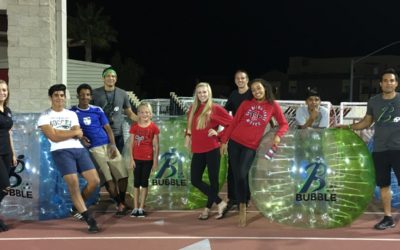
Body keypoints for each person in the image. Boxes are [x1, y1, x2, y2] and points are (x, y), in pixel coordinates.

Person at [220, 78, 288, 227]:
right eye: (254, 90)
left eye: (259, 88)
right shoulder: (246, 104)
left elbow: (284, 124)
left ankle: (243, 203)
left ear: (265, 88)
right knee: (237, 175)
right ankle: (242, 204)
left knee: (242, 174)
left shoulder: (272, 105)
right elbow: (234, 123)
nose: (256, 91)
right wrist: (224, 141)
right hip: (234, 142)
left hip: (250, 146)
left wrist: (278, 135)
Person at [339, 68, 400, 230]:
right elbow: (366, 122)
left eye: (392, 80)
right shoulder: (374, 101)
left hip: (398, 149)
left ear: (396, 83)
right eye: (385, 81)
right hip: (380, 150)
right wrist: (348, 127)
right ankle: (388, 218)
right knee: (384, 185)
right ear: (381, 84)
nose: (389, 83)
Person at [37, 84, 100, 233]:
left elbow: (78, 134)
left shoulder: (71, 114)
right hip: (60, 151)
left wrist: (62, 132)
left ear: (65, 97)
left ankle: (76, 207)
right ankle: (88, 218)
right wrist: (70, 132)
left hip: (79, 149)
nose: (59, 98)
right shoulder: (45, 116)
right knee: (74, 183)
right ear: (50, 98)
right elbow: (53, 137)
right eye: (56, 95)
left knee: (95, 181)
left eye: (61, 95)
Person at [71, 83, 129, 217]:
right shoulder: (73, 112)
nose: (85, 97)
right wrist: (81, 138)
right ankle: (119, 204)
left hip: (108, 145)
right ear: (78, 96)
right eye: (82, 95)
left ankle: (121, 202)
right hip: (94, 149)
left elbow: (108, 128)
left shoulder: (97, 110)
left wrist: (113, 144)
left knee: (122, 174)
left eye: (87, 94)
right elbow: (73, 130)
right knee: (108, 179)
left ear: (91, 96)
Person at [185, 82, 233, 220]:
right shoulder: (192, 109)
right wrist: (187, 136)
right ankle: (220, 202)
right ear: (196, 94)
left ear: (209, 93)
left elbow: (231, 123)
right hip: (198, 150)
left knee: (213, 181)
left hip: (212, 149)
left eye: (204, 92)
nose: (202, 95)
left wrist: (219, 135)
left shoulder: (215, 108)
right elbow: (190, 128)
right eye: (199, 92)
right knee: (195, 179)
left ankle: (207, 209)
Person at [223, 70, 253, 213]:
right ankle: (232, 199)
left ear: (247, 80)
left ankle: (245, 199)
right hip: (235, 136)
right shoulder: (234, 95)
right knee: (232, 169)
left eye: (243, 78)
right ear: (235, 81)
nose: (240, 80)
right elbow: (225, 111)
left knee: (243, 170)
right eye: (237, 78)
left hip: (249, 138)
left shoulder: (252, 94)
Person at [91, 67, 138, 153]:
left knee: (118, 162)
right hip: (100, 133)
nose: (111, 78)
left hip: (117, 134)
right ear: (103, 78)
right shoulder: (95, 93)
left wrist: (142, 120)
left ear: (116, 79)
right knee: (101, 163)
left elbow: (130, 113)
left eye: (113, 76)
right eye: (108, 76)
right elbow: (89, 113)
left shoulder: (122, 93)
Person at [128, 102, 159, 218]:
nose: (144, 114)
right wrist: (131, 159)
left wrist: (155, 161)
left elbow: (156, 146)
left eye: (147, 112)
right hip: (136, 159)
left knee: (144, 183)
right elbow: (131, 144)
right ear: (138, 114)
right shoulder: (134, 127)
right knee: (136, 183)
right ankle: (135, 207)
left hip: (148, 160)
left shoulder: (153, 127)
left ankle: (141, 207)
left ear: (150, 114)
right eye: (142, 112)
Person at [0, 79, 17, 232]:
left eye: (4, 90)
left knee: (1, 187)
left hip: (6, 153)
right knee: (5, 186)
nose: (2, 92)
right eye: (0, 90)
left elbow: (9, 132)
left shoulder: (7, 110)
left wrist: (13, 153)